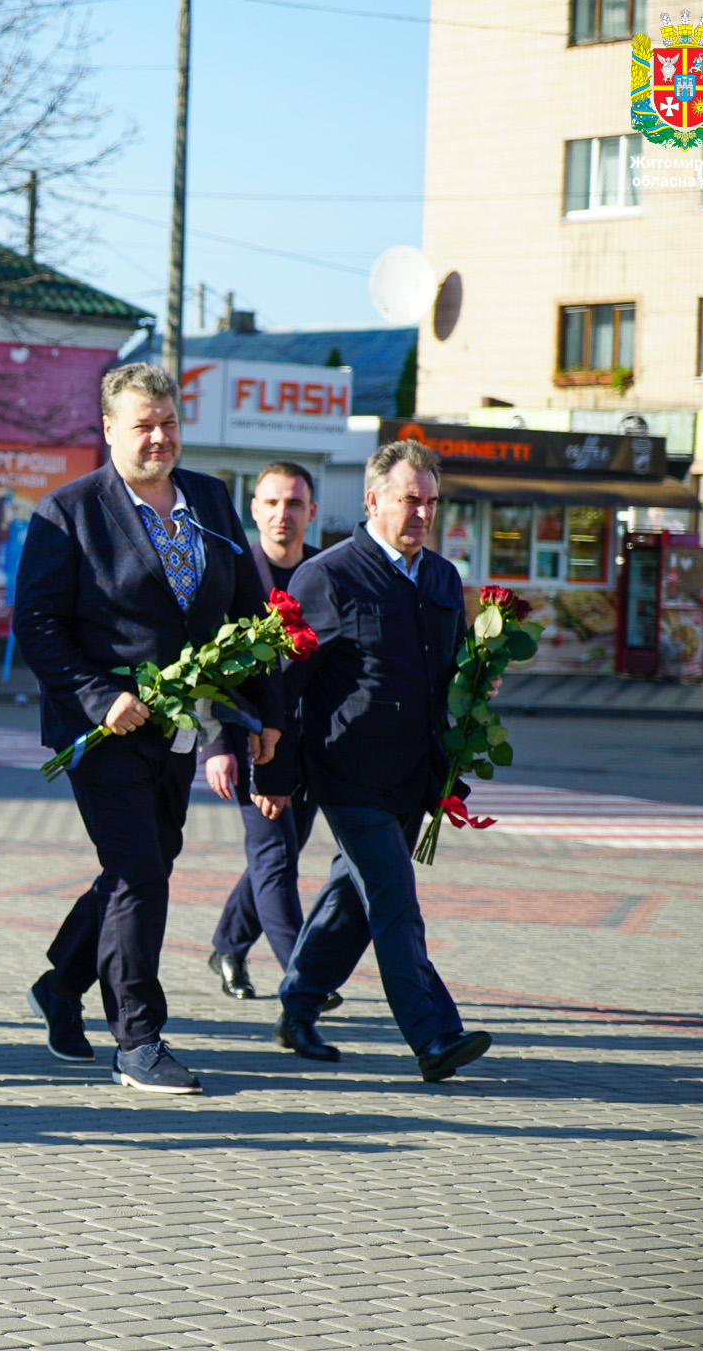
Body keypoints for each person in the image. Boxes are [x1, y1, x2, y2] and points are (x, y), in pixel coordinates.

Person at [12, 362, 279, 1096]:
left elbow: (249, 618)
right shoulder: (68, 512)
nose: (159, 436)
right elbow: (35, 625)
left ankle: (61, 984)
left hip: (183, 727)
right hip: (100, 730)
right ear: (108, 430)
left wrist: (260, 714)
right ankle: (137, 1039)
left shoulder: (211, 500)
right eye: (143, 424)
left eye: (168, 422)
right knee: (139, 871)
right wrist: (99, 698)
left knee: (148, 859)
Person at [253, 439, 493, 1083]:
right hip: (347, 770)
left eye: (431, 502)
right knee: (392, 894)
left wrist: (477, 685)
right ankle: (434, 1034)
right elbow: (282, 682)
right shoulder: (328, 575)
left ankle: (298, 1005)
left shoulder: (442, 577)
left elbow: (448, 671)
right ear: (372, 500)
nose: (421, 513)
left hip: (413, 775)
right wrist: (273, 775)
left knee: (352, 899)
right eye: (410, 499)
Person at [197, 461, 331, 1002]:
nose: (283, 515)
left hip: (311, 748)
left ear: (312, 512)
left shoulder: (327, 573)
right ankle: (305, 978)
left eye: (294, 504)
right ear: (253, 510)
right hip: (252, 742)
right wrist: (218, 746)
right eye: (271, 503)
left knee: (279, 857)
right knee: (274, 860)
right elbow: (210, 669)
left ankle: (228, 945)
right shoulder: (232, 576)